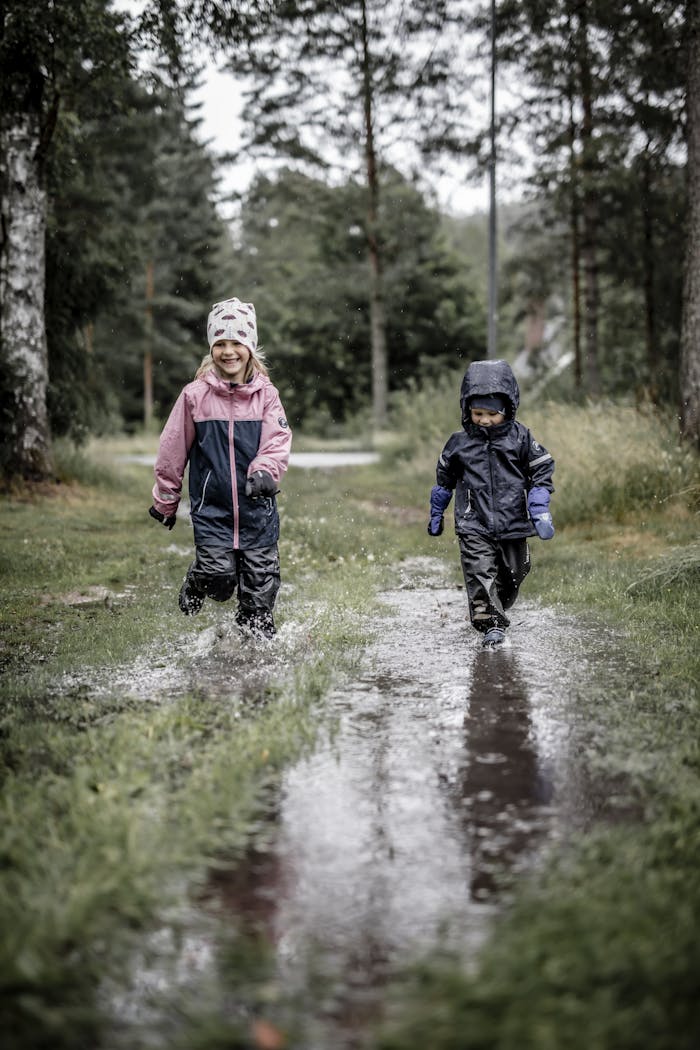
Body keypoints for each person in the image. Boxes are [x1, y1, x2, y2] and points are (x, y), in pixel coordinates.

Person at [149, 297, 292, 638]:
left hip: (258, 513)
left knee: (259, 599)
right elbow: (171, 450)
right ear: (211, 348)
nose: (229, 351)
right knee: (219, 580)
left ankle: (254, 653)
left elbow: (277, 440)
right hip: (212, 512)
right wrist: (166, 500)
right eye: (220, 343)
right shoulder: (194, 396)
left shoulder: (266, 395)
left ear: (250, 347)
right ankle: (198, 578)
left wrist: (264, 471)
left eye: (237, 343)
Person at [427, 358, 554, 648]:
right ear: (467, 410)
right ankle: (491, 625)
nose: (484, 420)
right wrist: (437, 511)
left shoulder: (521, 438)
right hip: (473, 522)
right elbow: (444, 478)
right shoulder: (458, 444)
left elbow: (541, 468)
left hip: (513, 521)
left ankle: (497, 605)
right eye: (478, 413)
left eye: (492, 414)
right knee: (479, 572)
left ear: (507, 409)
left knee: (515, 573)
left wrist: (539, 506)